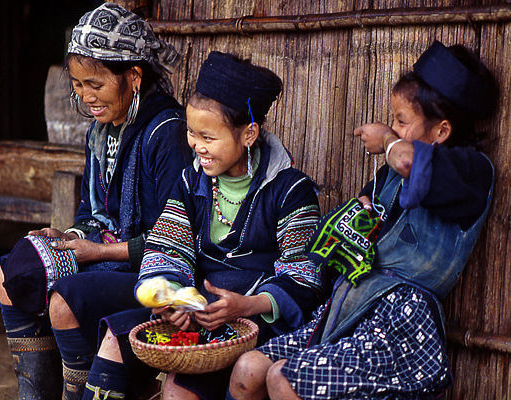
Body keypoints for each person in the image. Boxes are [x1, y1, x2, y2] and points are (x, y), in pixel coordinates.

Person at [229, 40, 499, 399]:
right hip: (350, 305)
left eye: (401, 121)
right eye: (392, 121)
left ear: (441, 132)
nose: (392, 129)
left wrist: (387, 140)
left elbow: (406, 161)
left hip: (399, 322)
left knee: (285, 377)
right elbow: (356, 222)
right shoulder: (389, 175)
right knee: (250, 367)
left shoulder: (470, 171)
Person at [78, 51, 326, 400]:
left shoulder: (289, 190)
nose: (197, 146)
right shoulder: (190, 181)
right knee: (119, 341)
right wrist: (177, 299)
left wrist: (248, 305)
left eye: (209, 138)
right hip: (202, 318)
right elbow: (166, 249)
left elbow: (305, 275)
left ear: (249, 134)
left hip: (261, 326)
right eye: (192, 133)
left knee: (184, 390)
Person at [0, 3, 192, 399]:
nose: (86, 97)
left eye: (95, 85)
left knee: (66, 301)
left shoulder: (166, 132)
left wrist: (94, 252)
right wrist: (68, 234)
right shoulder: (100, 133)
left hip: (154, 269)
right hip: (104, 251)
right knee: (11, 274)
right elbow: (90, 213)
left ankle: (76, 391)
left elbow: (174, 238)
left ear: (133, 77)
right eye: (78, 85)